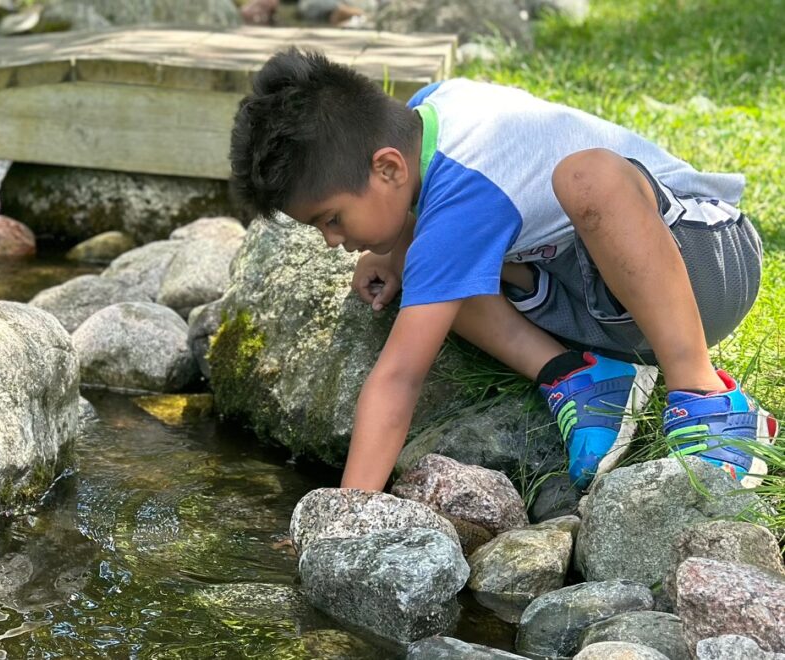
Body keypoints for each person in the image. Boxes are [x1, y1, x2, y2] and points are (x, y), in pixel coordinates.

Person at [226, 49, 772, 491]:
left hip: (705, 267)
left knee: (587, 179)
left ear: (387, 166)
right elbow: (434, 219)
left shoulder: (468, 182)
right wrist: (394, 250)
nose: (334, 242)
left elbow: (398, 378)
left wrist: (345, 517)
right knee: (431, 252)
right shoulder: (423, 117)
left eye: (333, 219)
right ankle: (583, 381)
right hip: (597, 298)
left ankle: (705, 396)